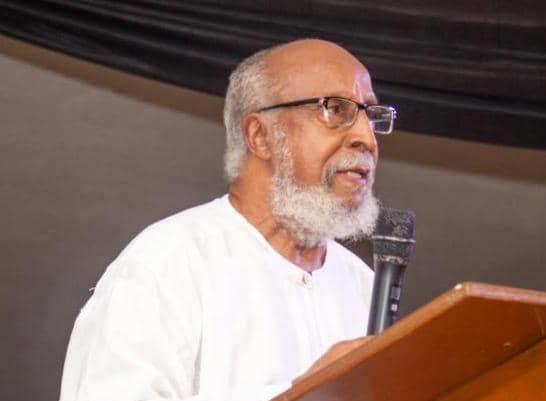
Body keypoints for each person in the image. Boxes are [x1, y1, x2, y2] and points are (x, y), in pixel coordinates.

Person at [59, 39, 397, 401]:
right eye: (336, 110)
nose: (366, 138)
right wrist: (300, 395)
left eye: (372, 117)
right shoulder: (166, 266)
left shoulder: (363, 285)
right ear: (260, 136)